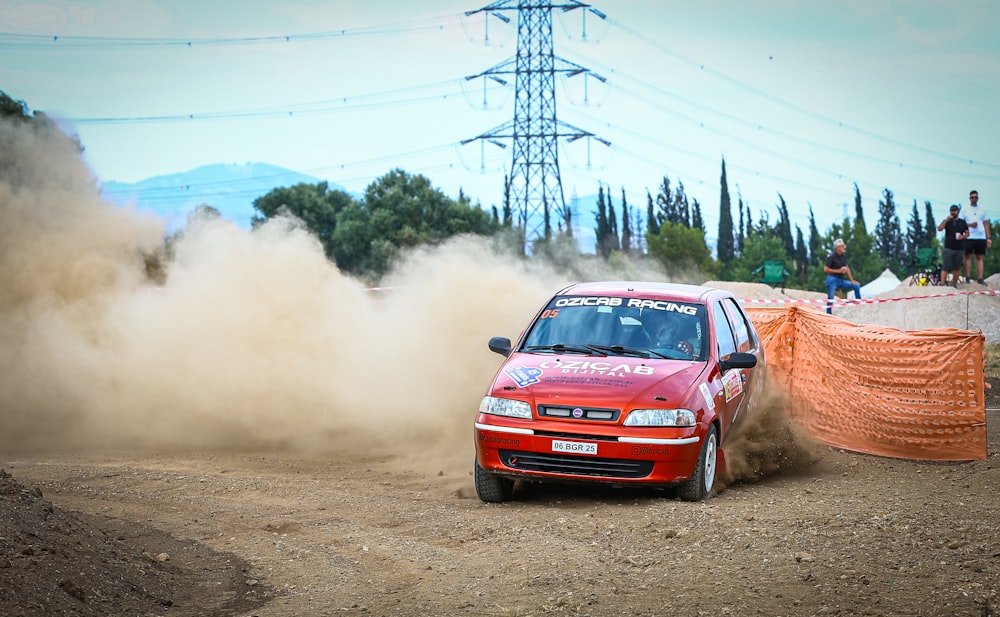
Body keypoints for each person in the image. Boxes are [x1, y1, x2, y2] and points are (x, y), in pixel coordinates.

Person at [961, 190, 992, 285]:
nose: (974, 199)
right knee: (968, 256)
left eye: (976, 197)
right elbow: (961, 223)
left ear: (978, 198)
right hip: (969, 236)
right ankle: (967, 277)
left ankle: (980, 278)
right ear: (969, 198)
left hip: (981, 236)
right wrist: (970, 225)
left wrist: (988, 237)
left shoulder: (982, 209)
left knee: (979, 256)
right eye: (972, 197)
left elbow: (986, 223)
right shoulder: (965, 209)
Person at [823, 238, 861, 314]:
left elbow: (847, 269)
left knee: (856, 286)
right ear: (838, 247)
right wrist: (838, 271)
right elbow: (826, 269)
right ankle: (828, 314)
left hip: (840, 280)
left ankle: (859, 304)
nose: (844, 247)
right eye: (843, 246)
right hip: (832, 280)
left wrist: (852, 280)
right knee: (830, 299)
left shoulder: (843, 257)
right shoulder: (831, 257)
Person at [937, 204, 969, 287]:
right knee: (945, 267)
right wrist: (946, 221)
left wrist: (963, 236)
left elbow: (967, 233)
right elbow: (939, 229)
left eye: (955, 211)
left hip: (959, 248)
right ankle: (942, 283)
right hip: (948, 248)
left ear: (958, 212)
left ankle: (954, 284)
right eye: (952, 211)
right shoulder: (947, 221)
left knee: (957, 267)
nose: (953, 212)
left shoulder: (962, 222)